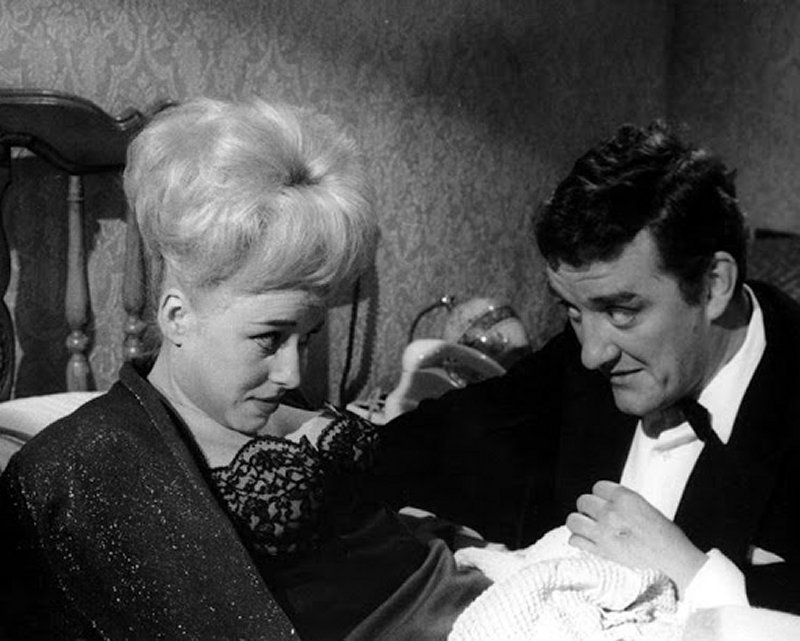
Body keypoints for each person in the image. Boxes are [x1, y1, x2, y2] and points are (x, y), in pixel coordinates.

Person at [0, 98, 490, 640]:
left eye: (307, 338)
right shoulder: (80, 470)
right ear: (177, 317)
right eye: (267, 338)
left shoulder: (269, 403)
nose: (292, 374)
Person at [374, 121, 800, 616]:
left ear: (713, 285)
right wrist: (321, 442)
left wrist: (697, 577)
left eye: (621, 311)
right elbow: (451, 431)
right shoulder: (584, 356)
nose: (592, 355)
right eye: (573, 311)